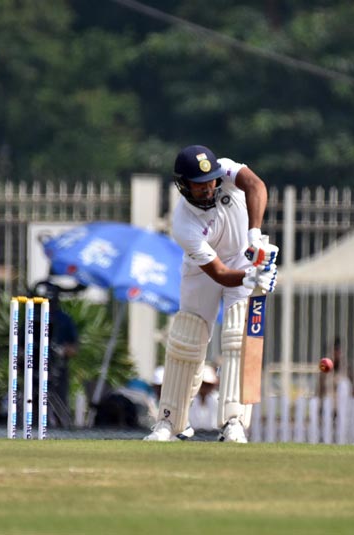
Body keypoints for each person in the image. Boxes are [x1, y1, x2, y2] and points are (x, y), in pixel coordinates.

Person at [144, 144, 278, 443]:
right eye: (199, 184)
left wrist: (254, 234)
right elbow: (219, 274)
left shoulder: (225, 172)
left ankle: (234, 422)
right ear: (183, 185)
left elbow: (255, 185)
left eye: (211, 181)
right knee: (187, 341)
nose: (208, 187)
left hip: (244, 259)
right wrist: (252, 276)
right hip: (204, 271)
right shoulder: (183, 223)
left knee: (239, 338)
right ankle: (170, 422)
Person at [33, 281, 79, 427]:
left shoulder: (64, 320)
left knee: (59, 399)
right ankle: (33, 425)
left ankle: (62, 428)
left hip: (57, 368)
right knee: (34, 399)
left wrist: (61, 350)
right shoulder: (33, 318)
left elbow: (74, 347)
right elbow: (22, 342)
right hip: (34, 366)